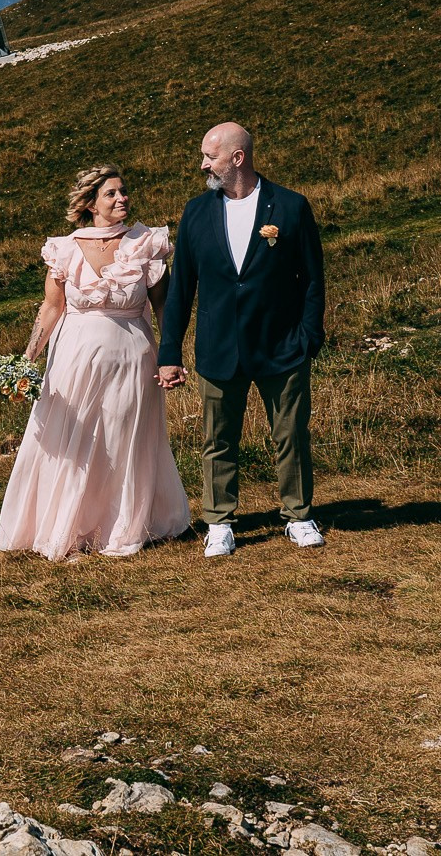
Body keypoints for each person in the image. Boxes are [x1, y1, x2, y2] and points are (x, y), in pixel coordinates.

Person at [0, 164, 193, 560]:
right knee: (74, 438)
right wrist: (26, 360)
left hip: (132, 360)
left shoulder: (144, 243)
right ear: (90, 204)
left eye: (124, 191)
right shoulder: (65, 248)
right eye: (111, 194)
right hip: (73, 362)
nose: (122, 199)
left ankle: (122, 526)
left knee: (123, 440)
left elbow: (165, 309)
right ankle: (69, 528)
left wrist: (171, 357)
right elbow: (51, 308)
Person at [156, 123, 327, 557]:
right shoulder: (196, 212)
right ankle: (219, 523)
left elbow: (312, 279)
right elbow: (181, 290)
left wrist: (309, 337)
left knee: (291, 435)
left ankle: (299, 516)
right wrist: (169, 352)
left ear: (237, 158)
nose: (202, 165)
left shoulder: (290, 206)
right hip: (218, 348)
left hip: (282, 346)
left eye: (209, 156)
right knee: (218, 440)